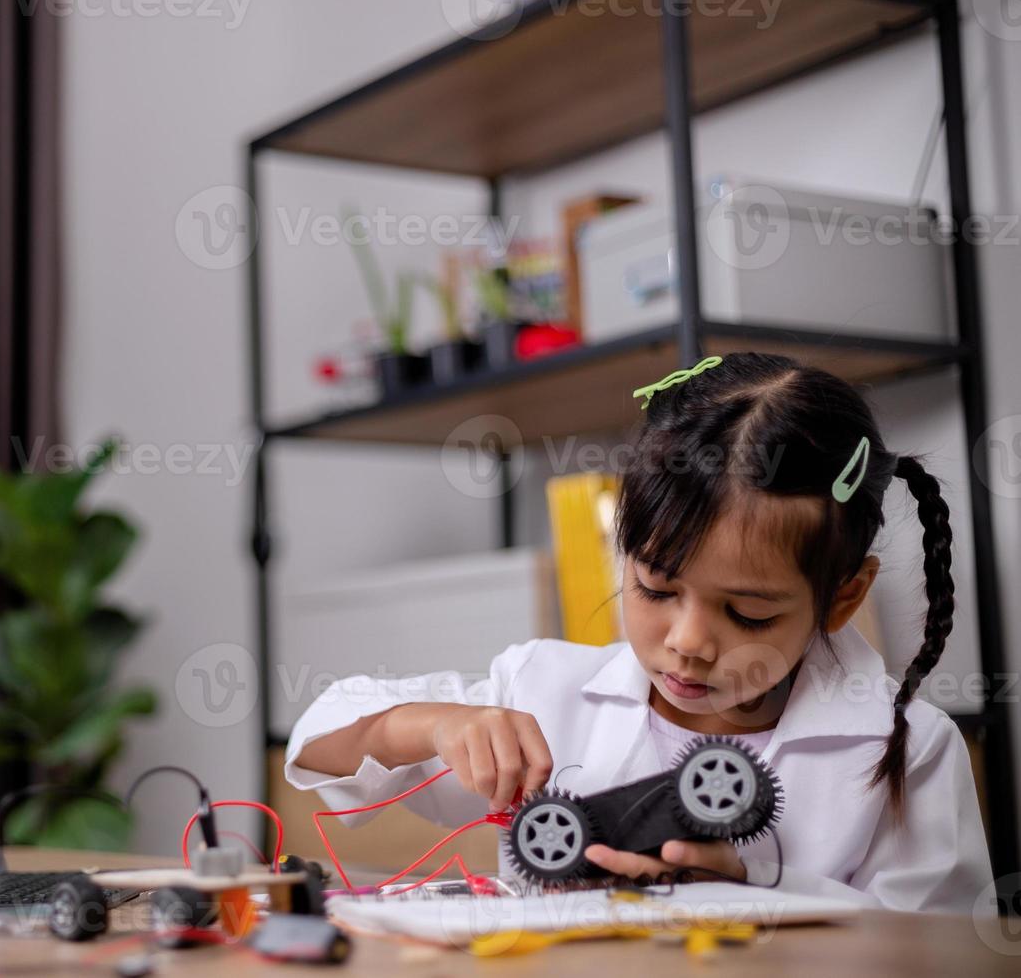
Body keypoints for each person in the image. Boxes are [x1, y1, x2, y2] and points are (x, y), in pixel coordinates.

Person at [286, 352, 992, 913]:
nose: (688, 641)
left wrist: (749, 890)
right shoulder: (544, 691)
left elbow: (942, 951)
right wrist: (433, 725)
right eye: (656, 589)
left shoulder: (910, 749)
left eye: (748, 614)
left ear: (843, 597)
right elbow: (318, 745)